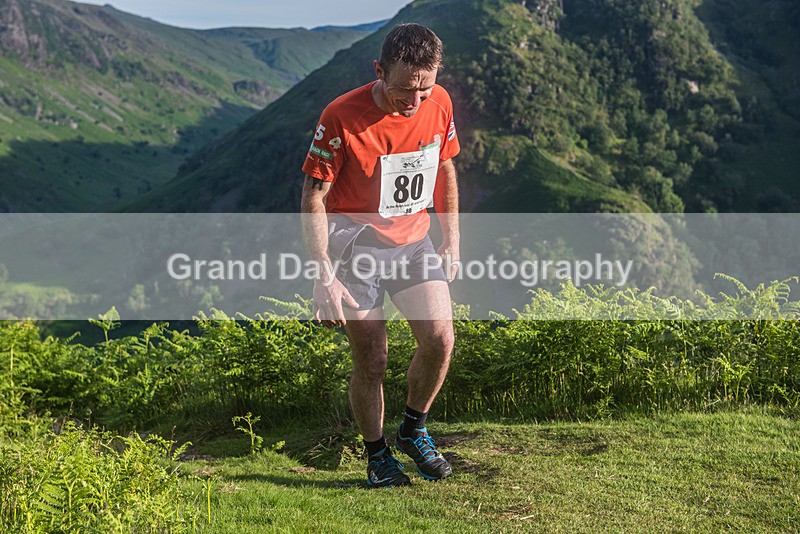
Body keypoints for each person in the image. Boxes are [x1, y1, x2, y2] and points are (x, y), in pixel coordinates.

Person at [299, 23, 460, 488]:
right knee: (372, 361)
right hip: (356, 250)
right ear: (379, 70)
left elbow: (445, 167)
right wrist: (322, 274)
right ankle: (376, 456)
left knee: (440, 340)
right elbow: (313, 196)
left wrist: (452, 238)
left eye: (424, 89)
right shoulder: (340, 115)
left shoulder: (440, 102)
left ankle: (413, 429)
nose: (414, 102)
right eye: (404, 89)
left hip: (414, 242)